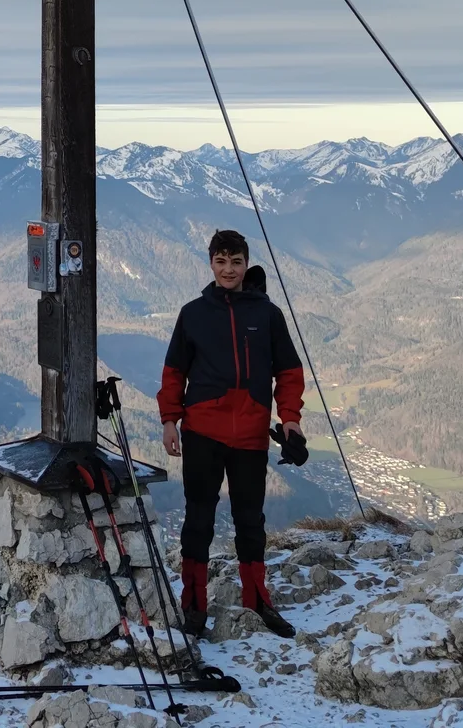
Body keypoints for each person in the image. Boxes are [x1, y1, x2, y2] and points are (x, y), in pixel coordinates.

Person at [157, 230, 304, 639]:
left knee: (250, 521)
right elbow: (174, 373)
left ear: (246, 264)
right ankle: (193, 606)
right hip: (203, 431)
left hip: (252, 435)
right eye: (220, 262)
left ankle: (258, 601)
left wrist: (290, 420)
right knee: (198, 520)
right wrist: (170, 420)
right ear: (210, 264)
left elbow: (289, 374)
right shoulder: (193, 314)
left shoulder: (268, 315)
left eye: (235, 262)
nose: (228, 270)